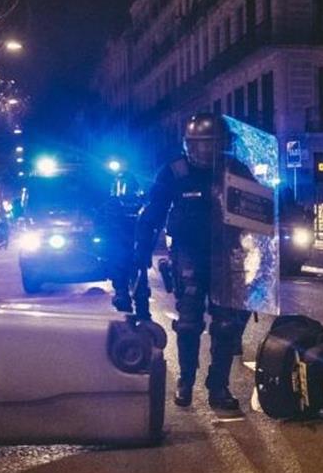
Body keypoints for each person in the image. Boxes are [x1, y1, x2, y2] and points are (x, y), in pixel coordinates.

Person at [134, 113, 257, 411]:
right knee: (188, 323)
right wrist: (141, 252)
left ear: (222, 144)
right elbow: (154, 213)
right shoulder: (174, 173)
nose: (206, 150)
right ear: (190, 145)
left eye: (211, 144)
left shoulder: (235, 169)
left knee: (226, 325)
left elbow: (258, 209)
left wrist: (265, 244)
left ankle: (218, 387)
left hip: (226, 255)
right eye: (200, 144)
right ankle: (185, 381)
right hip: (189, 254)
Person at [99, 173, 149, 315]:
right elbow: (99, 224)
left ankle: (142, 313)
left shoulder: (142, 205)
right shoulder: (110, 205)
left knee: (140, 284)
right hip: (119, 247)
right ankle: (127, 311)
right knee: (121, 283)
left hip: (136, 246)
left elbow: (151, 222)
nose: (125, 189)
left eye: (129, 186)